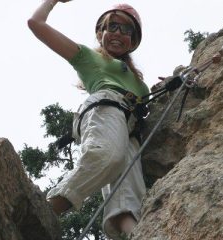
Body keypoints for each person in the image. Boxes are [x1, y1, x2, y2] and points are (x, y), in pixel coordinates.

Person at [28, 1, 149, 239]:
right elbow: (36, 24)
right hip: (106, 108)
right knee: (106, 155)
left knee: (129, 191)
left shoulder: (141, 85)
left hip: (131, 126)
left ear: (133, 41)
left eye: (127, 30)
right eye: (112, 26)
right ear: (100, 33)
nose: (118, 33)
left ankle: (137, 235)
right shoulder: (89, 58)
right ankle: (47, 209)